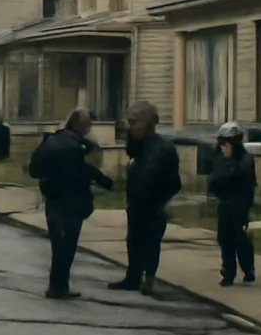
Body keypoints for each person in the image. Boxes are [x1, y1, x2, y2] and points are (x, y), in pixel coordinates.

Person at [29, 107, 114, 299]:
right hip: (71, 202)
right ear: (80, 126)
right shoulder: (74, 147)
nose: (89, 130)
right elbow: (84, 171)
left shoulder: (51, 141)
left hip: (53, 199)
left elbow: (34, 170)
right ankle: (59, 287)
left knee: (58, 245)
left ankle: (57, 286)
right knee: (67, 247)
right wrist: (105, 182)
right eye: (88, 126)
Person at [108, 102, 182, 296]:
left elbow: (174, 182)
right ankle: (132, 277)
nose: (130, 126)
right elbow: (131, 152)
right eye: (129, 122)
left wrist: (159, 201)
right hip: (135, 205)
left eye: (134, 122)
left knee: (151, 242)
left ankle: (149, 279)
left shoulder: (163, 149)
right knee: (133, 241)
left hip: (153, 206)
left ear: (148, 123)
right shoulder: (139, 148)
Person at [207, 121, 257, 287]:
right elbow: (214, 179)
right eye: (221, 143)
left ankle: (248, 269)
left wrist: (230, 164)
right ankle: (228, 271)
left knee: (240, 239)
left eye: (225, 143)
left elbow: (244, 182)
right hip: (225, 203)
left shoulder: (245, 160)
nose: (222, 147)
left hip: (240, 203)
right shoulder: (219, 157)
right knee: (224, 238)